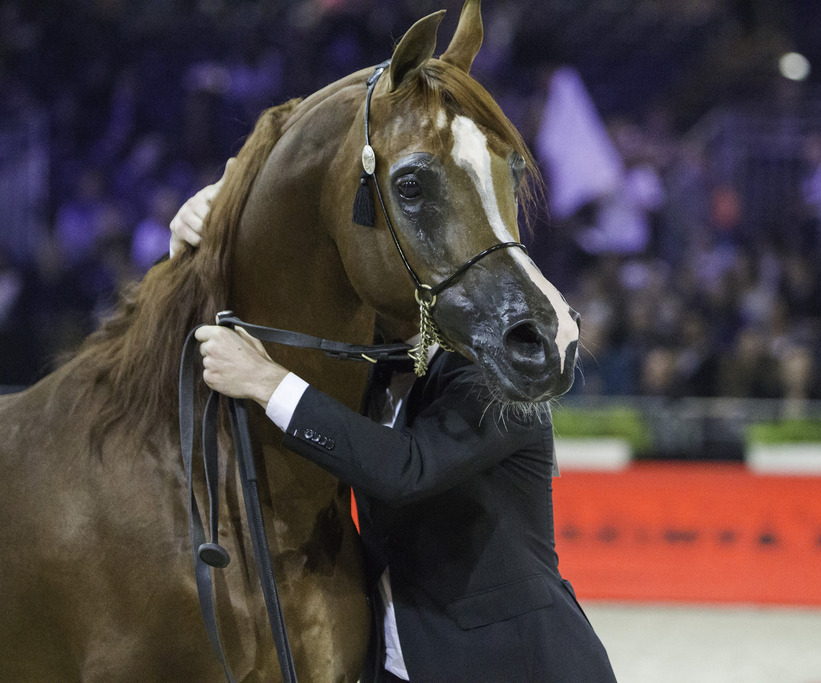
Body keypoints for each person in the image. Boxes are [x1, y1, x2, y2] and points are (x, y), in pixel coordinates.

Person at [171, 182, 617, 682]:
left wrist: (266, 380)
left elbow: (407, 468)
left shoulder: (502, 379)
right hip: (402, 665)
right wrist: (207, 234)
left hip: (522, 664)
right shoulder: (370, 372)